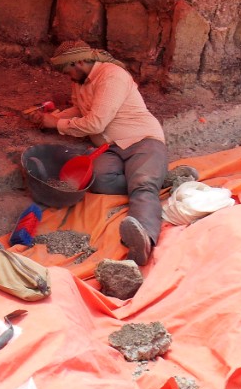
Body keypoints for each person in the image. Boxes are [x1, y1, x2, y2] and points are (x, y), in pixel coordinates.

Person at [26, 40, 171, 265]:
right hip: (109, 148)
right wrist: (54, 118)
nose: (68, 77)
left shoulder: (112, 76)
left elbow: (95, 124)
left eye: (68, 71)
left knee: (142, 185)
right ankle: (157, 179)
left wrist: (56, 125)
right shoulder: (81, 80)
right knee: (99, 180)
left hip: (142, 140)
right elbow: (80, 109)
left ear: (80, 62)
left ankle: (144, 240)